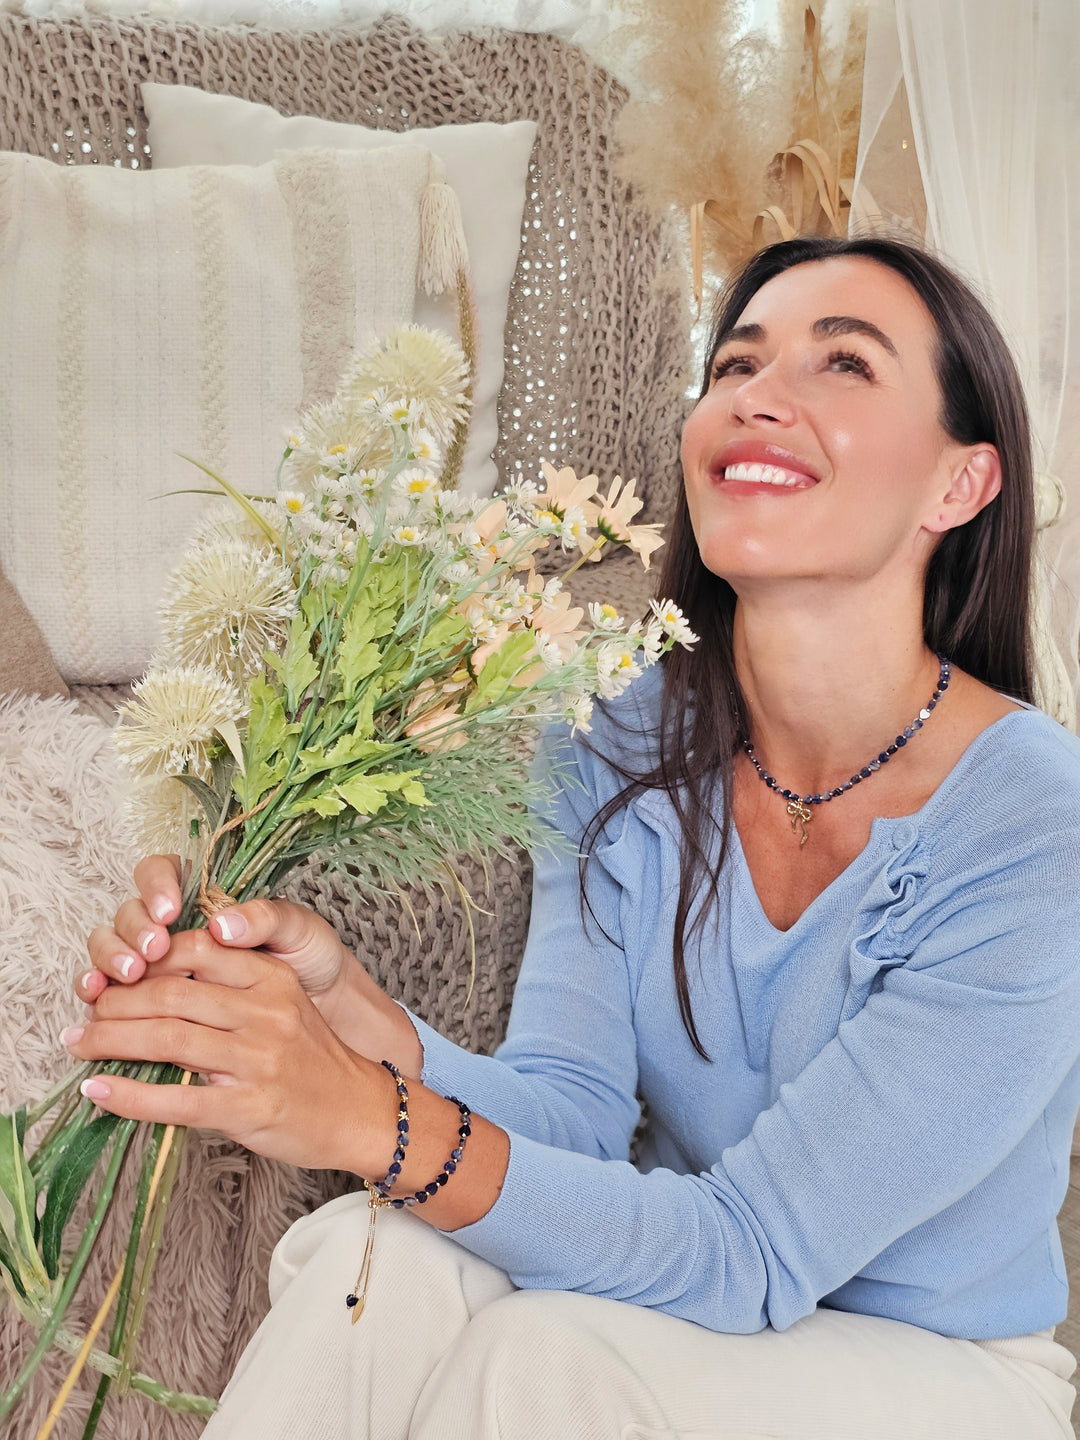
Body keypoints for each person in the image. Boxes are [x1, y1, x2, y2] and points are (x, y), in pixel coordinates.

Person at [69, 236, 1080, 1438]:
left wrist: (359, 1115)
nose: (756, 396)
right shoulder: (616, 736)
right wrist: (362, 1026)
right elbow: (578, 1119)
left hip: (940, 1367)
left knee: (547, 1357)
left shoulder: (1031, 820)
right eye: (737, 363)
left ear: (961, 486)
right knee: (374, 1259)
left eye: (842, 365)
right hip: (699, 1313)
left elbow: (748, 1250)